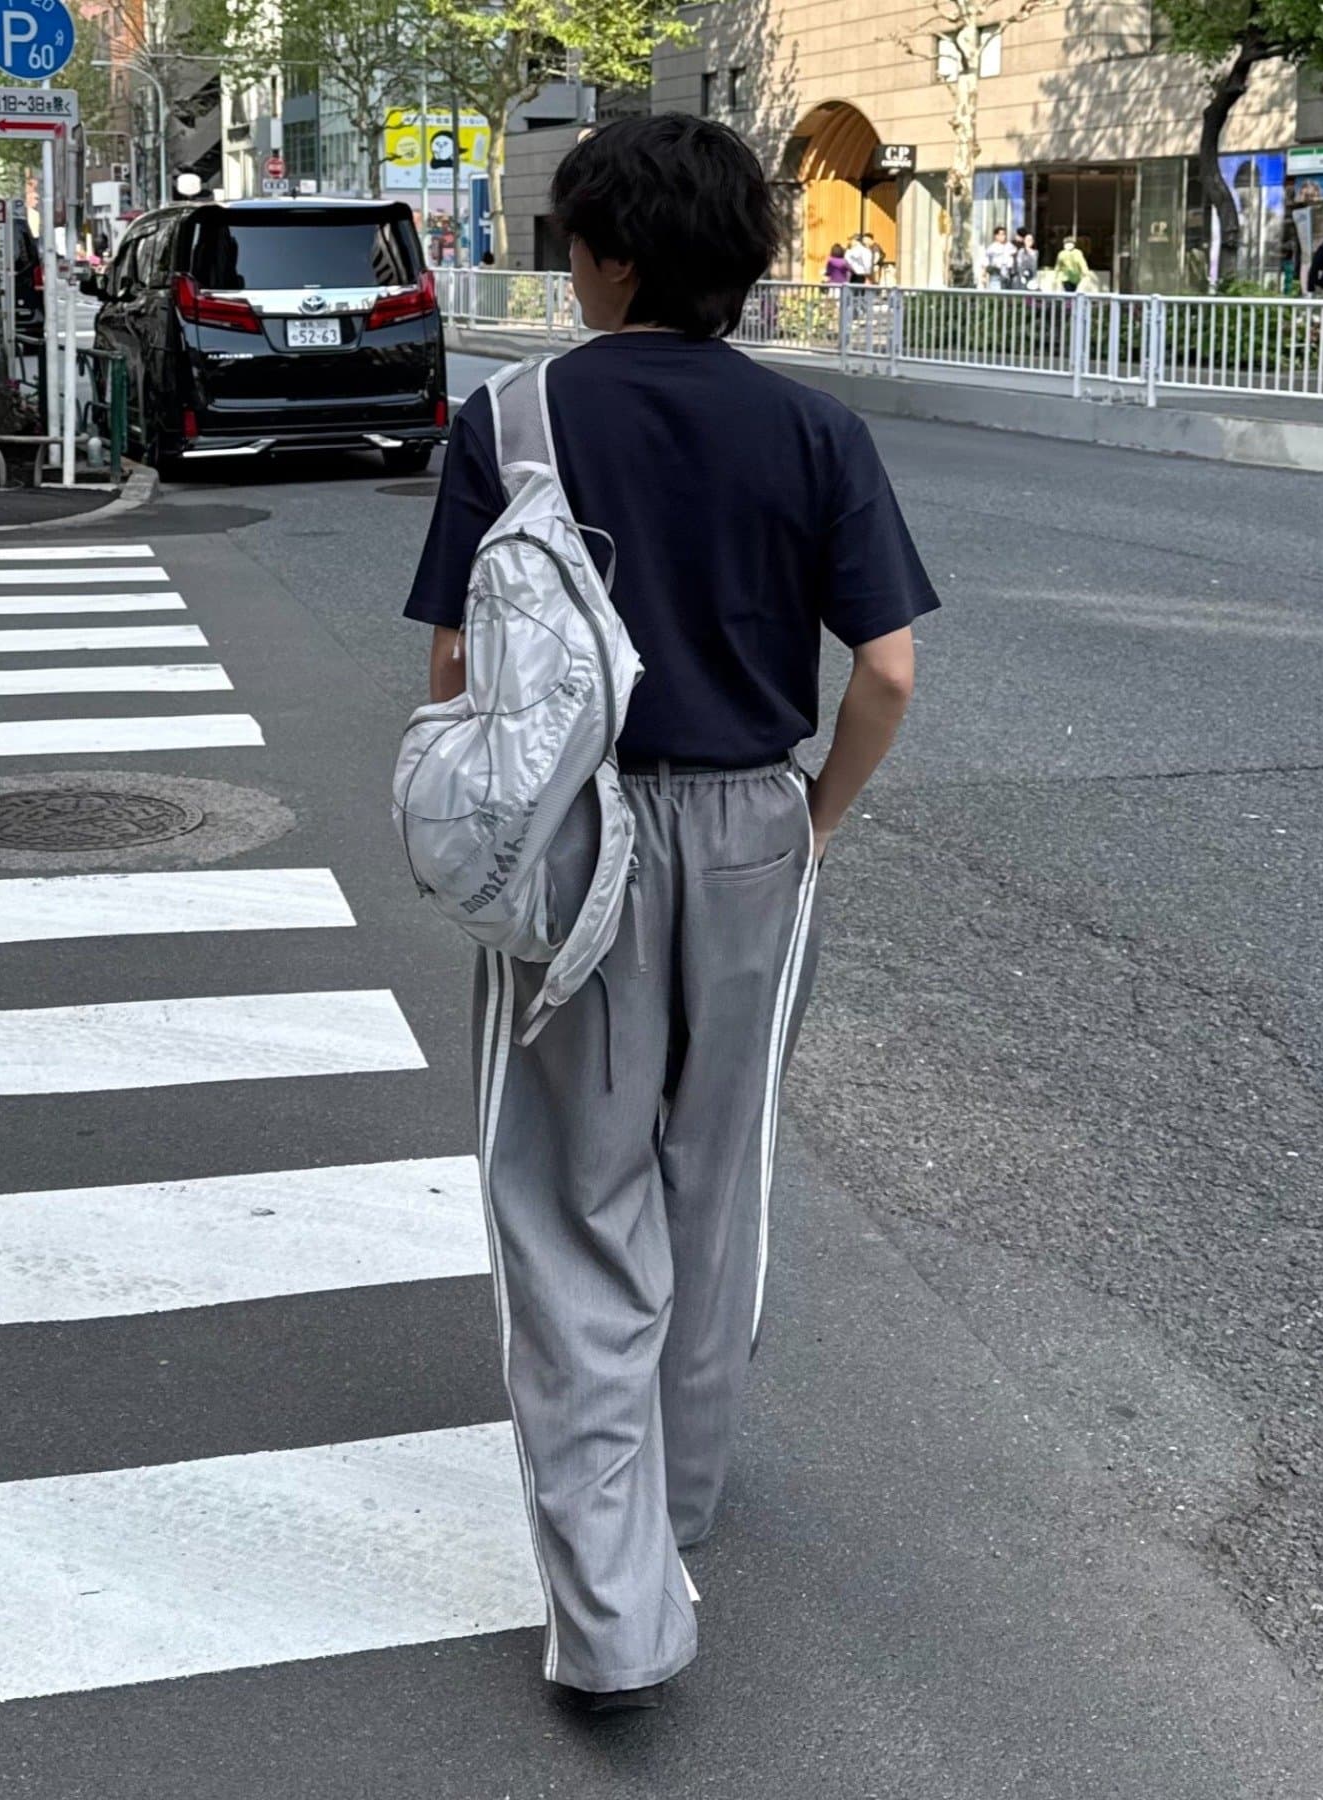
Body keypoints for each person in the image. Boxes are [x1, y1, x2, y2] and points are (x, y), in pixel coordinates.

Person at [404, 113, 937, 1713]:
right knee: (720, 1173)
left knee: (569, 1194)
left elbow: (456, 664)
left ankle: (617, 1611)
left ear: (614, 255)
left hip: (579, 839)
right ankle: (682, 1495)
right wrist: (809, 823)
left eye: (573, 242)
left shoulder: (516, 418)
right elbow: (889, 671)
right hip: (757, 826)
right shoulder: (816, 429)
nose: (568, 267)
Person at [982, 225, 1014, 290]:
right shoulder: (992, 248)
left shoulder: (1009, 246)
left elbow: (1014, 255)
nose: (1003, 236)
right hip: (996, 275)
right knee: (996, 293)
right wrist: (983, 276)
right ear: (996, 236)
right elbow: (985, 262)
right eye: (1001, 234)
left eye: (1004, 234)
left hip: (1007, 276)